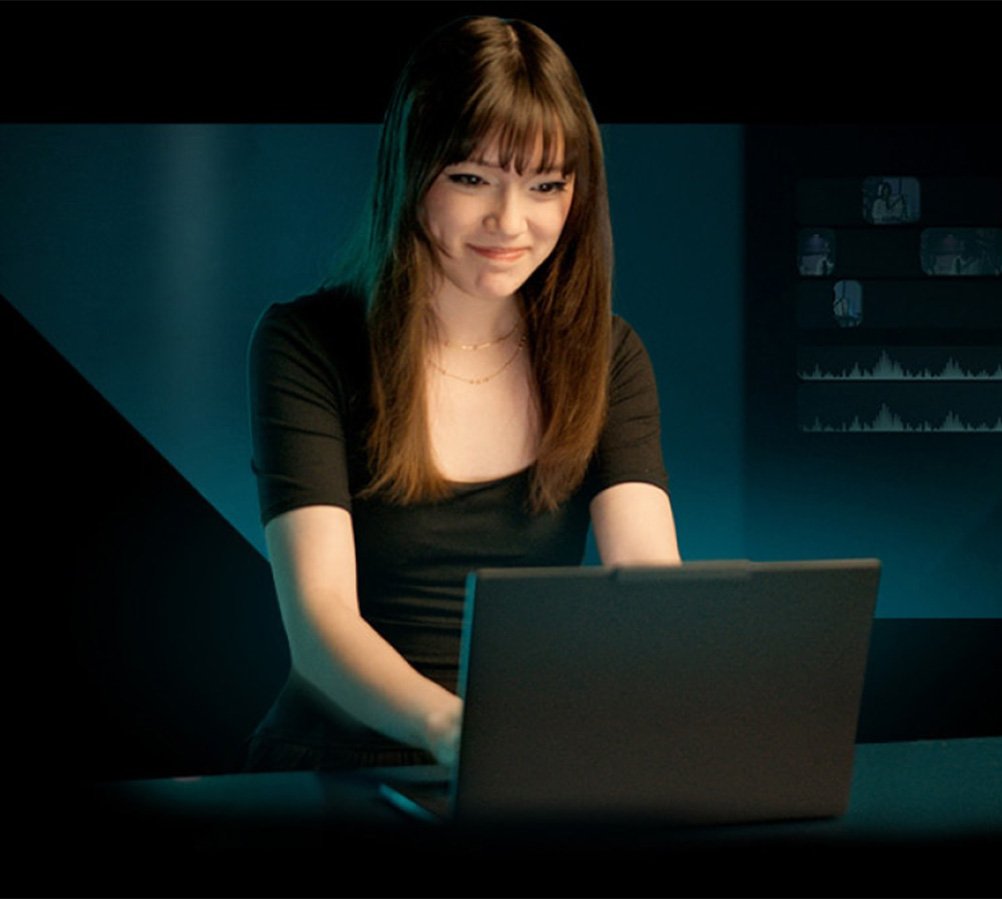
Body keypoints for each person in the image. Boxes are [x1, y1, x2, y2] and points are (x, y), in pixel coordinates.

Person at [243, 15, 680, 773]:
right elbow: (321, 628)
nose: (511, 223)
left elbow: (647, 580)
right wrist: (459, 732)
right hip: (335, 768)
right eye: (472, 178)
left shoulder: (608, 354)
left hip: (521, 769)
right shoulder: (307, 344)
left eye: (547, 187)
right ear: (412, 171)